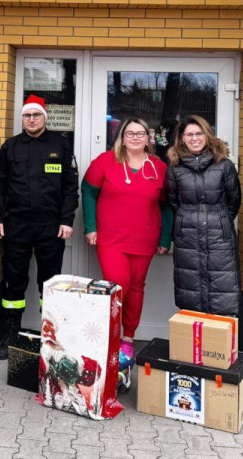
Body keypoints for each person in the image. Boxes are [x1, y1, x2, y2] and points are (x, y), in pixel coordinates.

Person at [0, 95, 79, 360]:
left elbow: (70, 187)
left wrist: (66, 219)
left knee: (49, 283)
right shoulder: (10, 147)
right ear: (22, 118)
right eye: (27, 115)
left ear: (45, 117)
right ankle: (10, 335)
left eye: (36, 115)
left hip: (50, 226)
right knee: (13, 282)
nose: (31, 119)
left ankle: (50, 338)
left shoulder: (60, 145)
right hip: (16, 225)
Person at [82, 117, 170, 365]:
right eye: (129, 133)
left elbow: (166, 205)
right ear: (121, 136)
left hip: (144, 239)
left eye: (140, 133)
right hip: (111, 238)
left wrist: (165, 237)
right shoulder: (105, 161)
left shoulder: (158, 167)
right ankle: (108, 338)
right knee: (117, 286)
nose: (135, 138)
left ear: (148, 137)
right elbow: (88, 191)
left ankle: (128, 340)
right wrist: (91, 227)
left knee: (136, 288)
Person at [165, 115, 241, 316]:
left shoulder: (224, 165)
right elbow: (174, 201)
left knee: (222, 285)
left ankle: (217, 342)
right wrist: (190, 218)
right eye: (189, 134)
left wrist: (218, 219)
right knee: (190, 286)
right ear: (182, 138)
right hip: (187, 234)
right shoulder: (175, 167)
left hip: (219, 234)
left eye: (199, 133)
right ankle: (194, 338)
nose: (194, 138)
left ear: (207, 135)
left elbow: (234, 201)